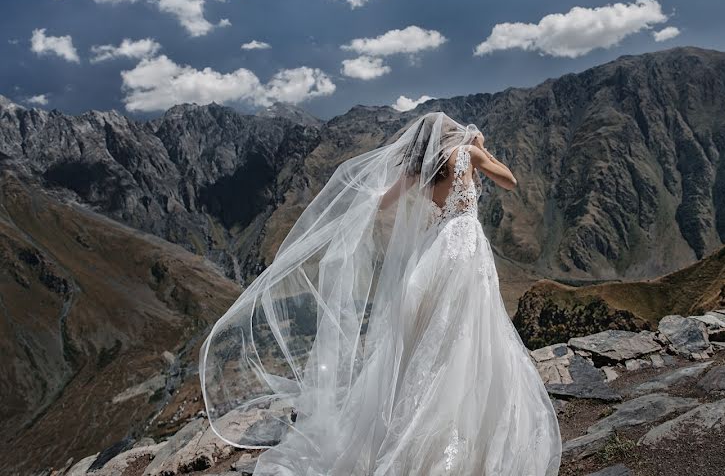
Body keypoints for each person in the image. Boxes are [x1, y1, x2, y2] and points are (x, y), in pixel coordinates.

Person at [199, 111, 562, 475]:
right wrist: (483, 148)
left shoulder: (415, 173)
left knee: (430, 335)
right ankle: (469, 425)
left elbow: (380, 205)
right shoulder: (468, 155)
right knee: (472, 328)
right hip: (466, 249)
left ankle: (415, 425)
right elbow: (511, 181)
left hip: (434, 253)